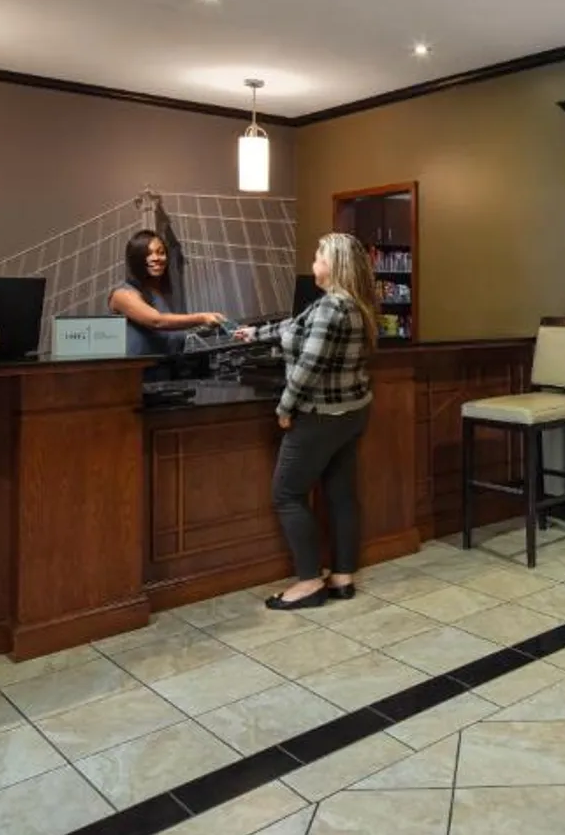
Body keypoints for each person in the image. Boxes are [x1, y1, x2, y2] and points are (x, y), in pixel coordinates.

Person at [236, 232, 378, 610]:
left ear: (333, 264)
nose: (313, 261)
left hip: (321, 417)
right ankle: (343, 577)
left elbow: (308, 367)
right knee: (341, 493)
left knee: (286, 494)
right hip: (353, 413)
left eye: (318, 255)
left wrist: (285, 408)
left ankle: (310, 581)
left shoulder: (330, 307)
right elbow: (294, 327)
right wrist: (254, 333)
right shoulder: (352, 304)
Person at [107, 230, 229, 357]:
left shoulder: (160, 295)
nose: (156, 258)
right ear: (135, 259)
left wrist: (220, 330)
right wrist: (202, 318)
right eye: (147, 254)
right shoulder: (122, 294)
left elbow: (173, 335)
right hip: (137, 369)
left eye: (161, 252)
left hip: (165, 367)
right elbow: (156, 321)